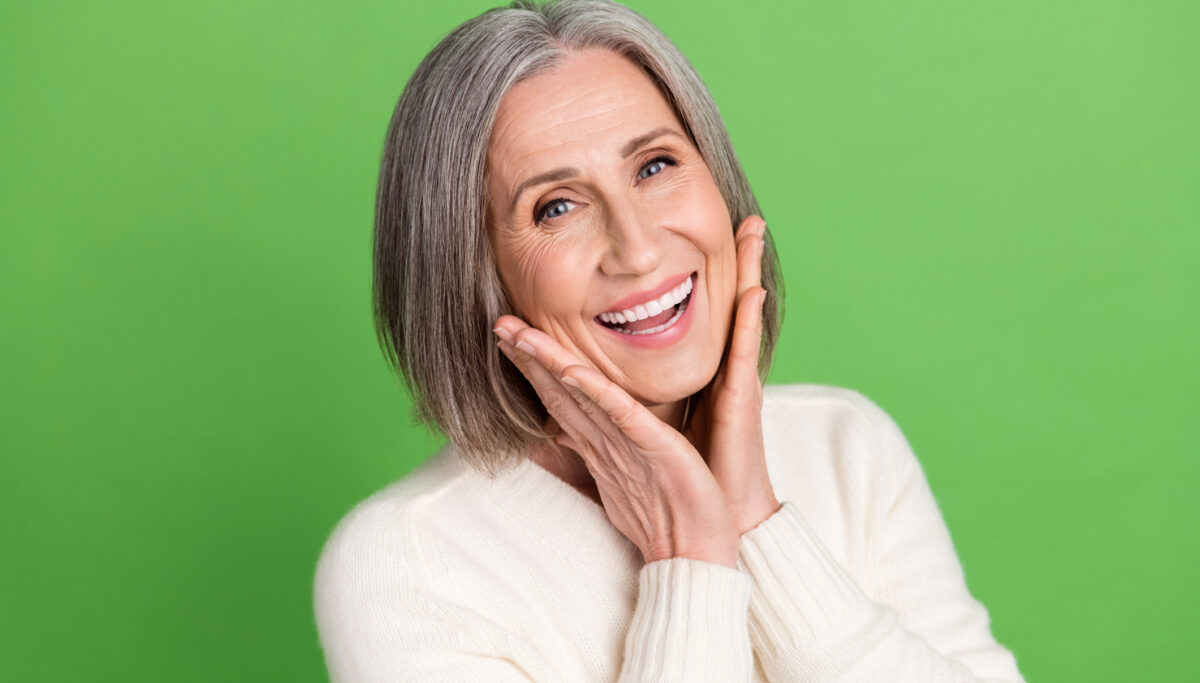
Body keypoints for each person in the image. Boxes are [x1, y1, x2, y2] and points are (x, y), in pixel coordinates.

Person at [313, 1, 1026, 681]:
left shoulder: (849, 445)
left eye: (654, 166)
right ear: (469, 274)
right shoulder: (407, 563)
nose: (640, 248)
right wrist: (692, 559)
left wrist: (758, 524)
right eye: (556, 206)